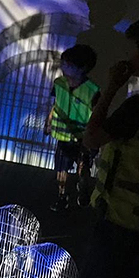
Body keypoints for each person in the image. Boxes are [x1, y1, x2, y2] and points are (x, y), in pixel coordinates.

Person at [81, 19, 139, 278]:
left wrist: (112, 88)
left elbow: (92, 138)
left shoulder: (136, 108)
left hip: (125, 218)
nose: (132, 57)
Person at [45, 44, 101, 211]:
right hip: (63, 137)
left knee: (83, 168)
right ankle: (62, 197)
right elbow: (56, 105)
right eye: (63, 63)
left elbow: (97, 114)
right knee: (61, 168)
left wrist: (94, 137)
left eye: (69, 64)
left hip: (84, 139)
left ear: (83, 68)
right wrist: (48, 122)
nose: (64, 66)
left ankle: (83, 190)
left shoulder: (92, 90)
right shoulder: (58, 83)